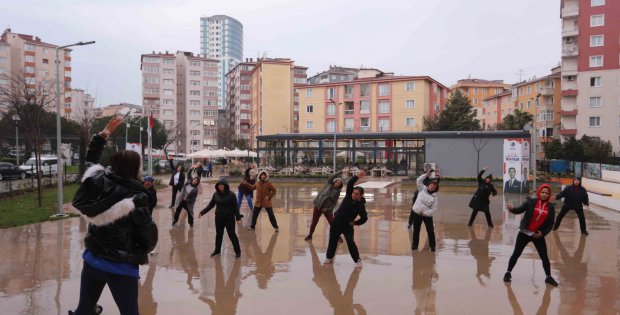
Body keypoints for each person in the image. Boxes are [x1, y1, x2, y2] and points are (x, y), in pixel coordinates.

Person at [70, 117, 158, 315]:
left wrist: (104, 134)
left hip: (92, 260)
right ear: (133, 168)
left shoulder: (97, 179)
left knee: (83, 310)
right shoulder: (136, 198)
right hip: (121, 268)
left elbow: (90, 160)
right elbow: (149, 238)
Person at [504, 184, 558, 286]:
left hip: (537, 235)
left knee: (544, 257)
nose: (544, 195)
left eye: (546, 193)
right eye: (542, 192)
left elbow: (551, 224)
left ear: (549, 195)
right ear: (539, 192)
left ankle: (548, 277)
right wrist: (512, 209)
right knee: (516, 254)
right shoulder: (531, 202)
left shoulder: (551, 207)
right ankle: (508, 273)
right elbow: (519, 210)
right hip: (525, 233)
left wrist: (543, 233)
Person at [324, 171, 368, 267]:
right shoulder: (348, 195)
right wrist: (356, 176)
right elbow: (350, 183)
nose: (354, 195)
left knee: (350, 243)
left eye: (357, 194)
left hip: (347, 226)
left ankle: (358, 260)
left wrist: (355, 223)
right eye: (353, 193)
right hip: (336, 223)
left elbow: (364, 218)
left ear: (361, 195)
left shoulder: (361, 206)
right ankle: (329, 257)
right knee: (332, 240)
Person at [199, 179, 242, 258]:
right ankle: (217, 251)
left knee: (232, 235)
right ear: (217, 186)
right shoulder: (216, 194)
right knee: (219, 235)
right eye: (219, 185)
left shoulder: (231, 194)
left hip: (229, 218)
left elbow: (235, 207)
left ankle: (238, 252)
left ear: (225, 186)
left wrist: (238, 218)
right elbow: (211, 205)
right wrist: (202, 212)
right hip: (219, 218)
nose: (220, 186)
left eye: (222, 185)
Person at [305, 171, 344, 241]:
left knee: (332, 223)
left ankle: (338, 236)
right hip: (318, 206)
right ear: (334, 182)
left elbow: (334, 203)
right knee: (314, 222)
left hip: (327, 209)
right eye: (336, 182)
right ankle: (310, 235)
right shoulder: (328, 184)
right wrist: (341, 171)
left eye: (339, 183)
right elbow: (332, 176)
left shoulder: (337, 192)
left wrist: (328, 209)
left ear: (340, 185)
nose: (337, 184)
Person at [411, 169, 439, 252]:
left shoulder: (435, 197)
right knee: (416, 230)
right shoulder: (422, 189)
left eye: (434, 187)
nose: (432, 187)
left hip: (427, 215)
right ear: (428, 185)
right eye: (431, 185)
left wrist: (425, 213)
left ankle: (432, 246)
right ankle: (415, 246)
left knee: (430, 230)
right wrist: (426, 174)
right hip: (416, 213)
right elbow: (418, 180)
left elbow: (434, 208)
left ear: (435, 189)